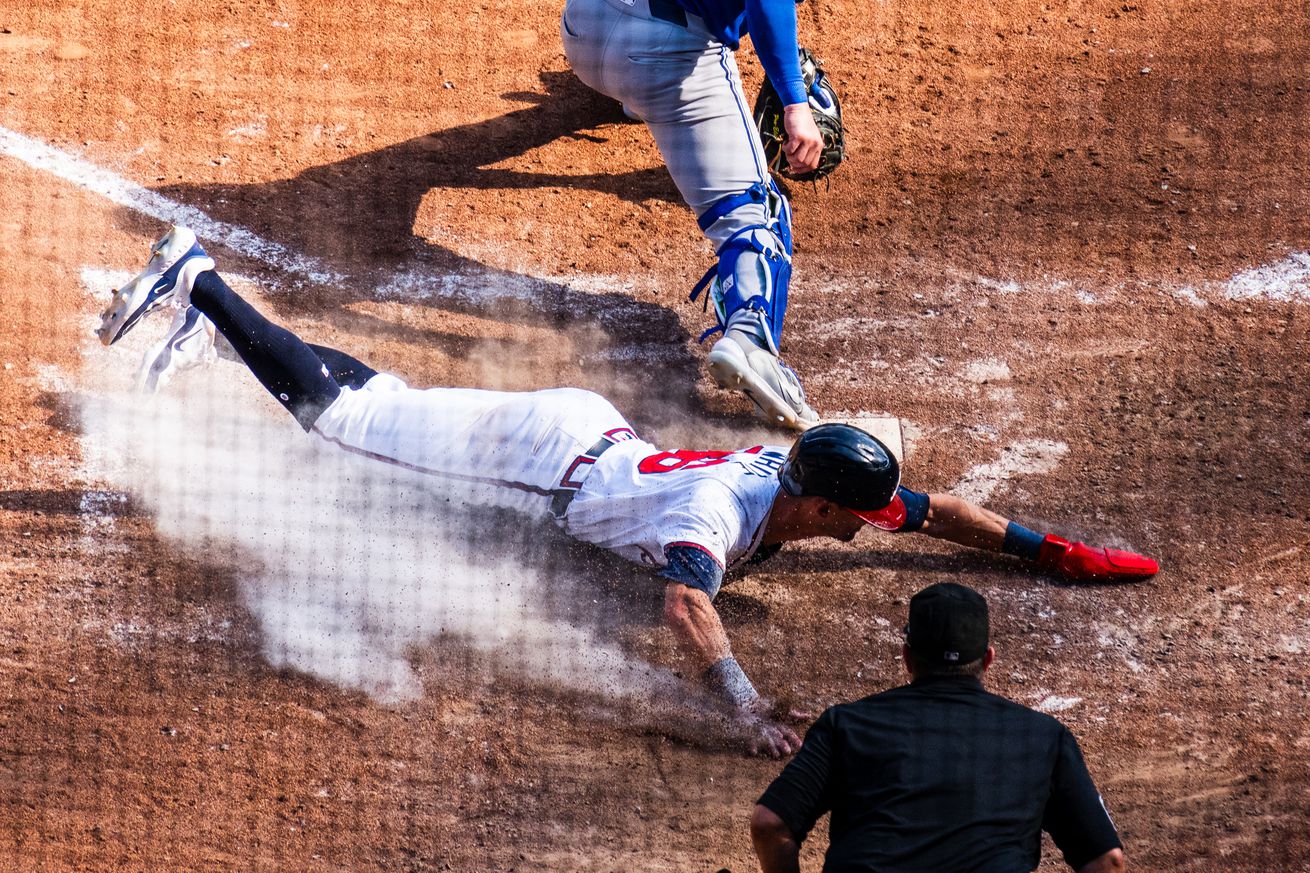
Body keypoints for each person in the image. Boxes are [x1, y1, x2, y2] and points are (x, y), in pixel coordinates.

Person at [97, 226, 1159, 758]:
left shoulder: (805, 478)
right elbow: (686, 604)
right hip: (533, 458)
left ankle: (207, 336)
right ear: (825, 507)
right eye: (859, 518)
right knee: (344, 422)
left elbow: (940, 514)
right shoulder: (718, 518)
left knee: (385, 401)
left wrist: (1048, 549)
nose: (871, 525)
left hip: (581, 433)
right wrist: (741, 708)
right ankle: (193, 277)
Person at [559, 0, 824, 430]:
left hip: (584, 32)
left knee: (638, 62)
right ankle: (751, 337)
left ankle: (636, 93)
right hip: (661, 55)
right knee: (759, 217)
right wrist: (795, 103)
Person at [751, 582, 1128, 873]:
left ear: (908, 658)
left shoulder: (847, 724)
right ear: (988, 660)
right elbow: (1107, 861)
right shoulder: (1043, 737)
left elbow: (770, 823)